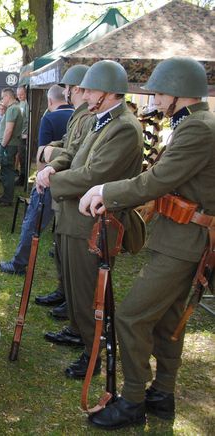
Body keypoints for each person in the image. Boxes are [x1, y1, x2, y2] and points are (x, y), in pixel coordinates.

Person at [77, 57, 215, 430]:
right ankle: (162, 394)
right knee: (168, 321)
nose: (153, 97)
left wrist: (106, 190)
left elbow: (155, 181)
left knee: (132, 315)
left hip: (185, 241)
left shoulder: (198, 129)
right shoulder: (193, 124)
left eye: (157, 91)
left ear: (177, 92)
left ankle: (134, 399)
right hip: (182, 238)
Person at [36, 60, 143, 380]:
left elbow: (96, 175)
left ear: (109, 93)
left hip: (93, 224)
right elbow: (74, 152)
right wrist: (53, 167)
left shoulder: (123, 126)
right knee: (75, 288)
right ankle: (86, 341)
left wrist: (54, 183)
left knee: (89, 295)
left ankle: (94, 352)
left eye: (92, 89)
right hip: (75, 217)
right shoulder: (100, 120)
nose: (85, 93)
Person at [34, 66, 93, 319]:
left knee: (77, 265)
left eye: (68, 87)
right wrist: (51, 150)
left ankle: (74, 305)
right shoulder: (80, 114)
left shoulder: (89, 116)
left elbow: (78, 154)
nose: (66, 92)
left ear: (76, 88)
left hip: (77, 196)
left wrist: (50, 154)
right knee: (61, 253)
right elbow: (68, 144)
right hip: (67, 194)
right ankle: (64, 293)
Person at [0, 84, 74, 275]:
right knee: (65, 226)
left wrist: (39, 181)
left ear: (49, 101)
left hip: (50, 178)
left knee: (32, 222)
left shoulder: (50, 117)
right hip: (72, 180)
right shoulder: (77, 117)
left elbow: (42, 153)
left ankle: (19, 264)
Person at [0, 88, 24, 206]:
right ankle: (6, 196)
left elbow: (9, 130)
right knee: (7, 171)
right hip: (10, 145)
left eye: (3, 97)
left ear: (8, 96)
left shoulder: (13, 109)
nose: (2, 101)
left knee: (7, 172)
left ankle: (7, 199)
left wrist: (2, 145)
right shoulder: (14, 108)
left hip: (8, 145)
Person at [16, 85, 29, 185]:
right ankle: (21, 175)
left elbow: (28, 120)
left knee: (23, 156)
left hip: (24, 135)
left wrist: (26, 133)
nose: (20, 96)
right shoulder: (20, 103)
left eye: (22, 94)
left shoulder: (27, 104)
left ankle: (23, 178)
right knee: (20, 156)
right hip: (19, 134)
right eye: (18, 94)